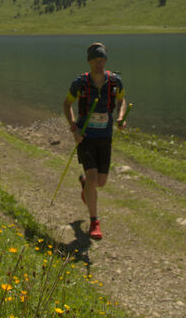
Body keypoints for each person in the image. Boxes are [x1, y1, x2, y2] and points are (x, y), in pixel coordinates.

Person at [62, 41, 126, 240]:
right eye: (96, 60)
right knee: (92, 178)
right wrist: (74, 128)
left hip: (105, 137)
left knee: (101, 182)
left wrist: (121, 117)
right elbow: (67, 104)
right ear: (90, 62)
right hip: (86, 137)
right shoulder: (80, 83)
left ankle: (85, 187)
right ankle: (94, 222)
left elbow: (121, 100)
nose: (100, 64)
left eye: (102, 60)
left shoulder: (114, 82)